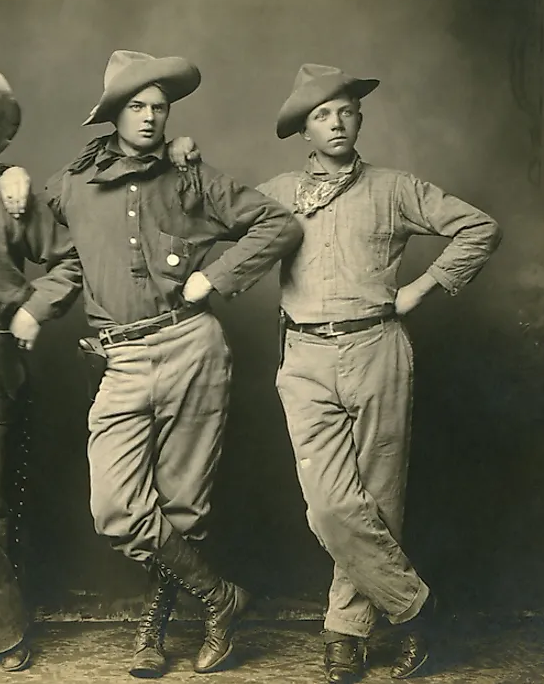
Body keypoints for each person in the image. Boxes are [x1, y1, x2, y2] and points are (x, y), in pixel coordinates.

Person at [46, 50, 303, 678]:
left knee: (183, 506)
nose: (150, 116)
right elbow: (53, 252)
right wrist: (13, 186)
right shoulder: (70, 185)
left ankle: (151, 633)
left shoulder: (192, 177)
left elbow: (277, 224)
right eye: (136, 106)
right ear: (112, 114)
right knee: (117, 510)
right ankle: (222, 597)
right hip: (121, 358)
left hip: (193, 347)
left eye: (159, 107)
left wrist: (213, 277)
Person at [255, 63, 502, 683]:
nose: (335, 122)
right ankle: (416, 609)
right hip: (304, 358)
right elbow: (204, 217)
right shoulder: (278, 192)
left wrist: (423, 286)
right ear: (304, 130)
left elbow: (479, 228)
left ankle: (345, 630)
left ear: (359, 118)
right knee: (330, 507)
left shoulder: (394, 187)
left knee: (378, 499)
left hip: (378, 351)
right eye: (321, 114)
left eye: (344, 111)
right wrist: (183, 156)